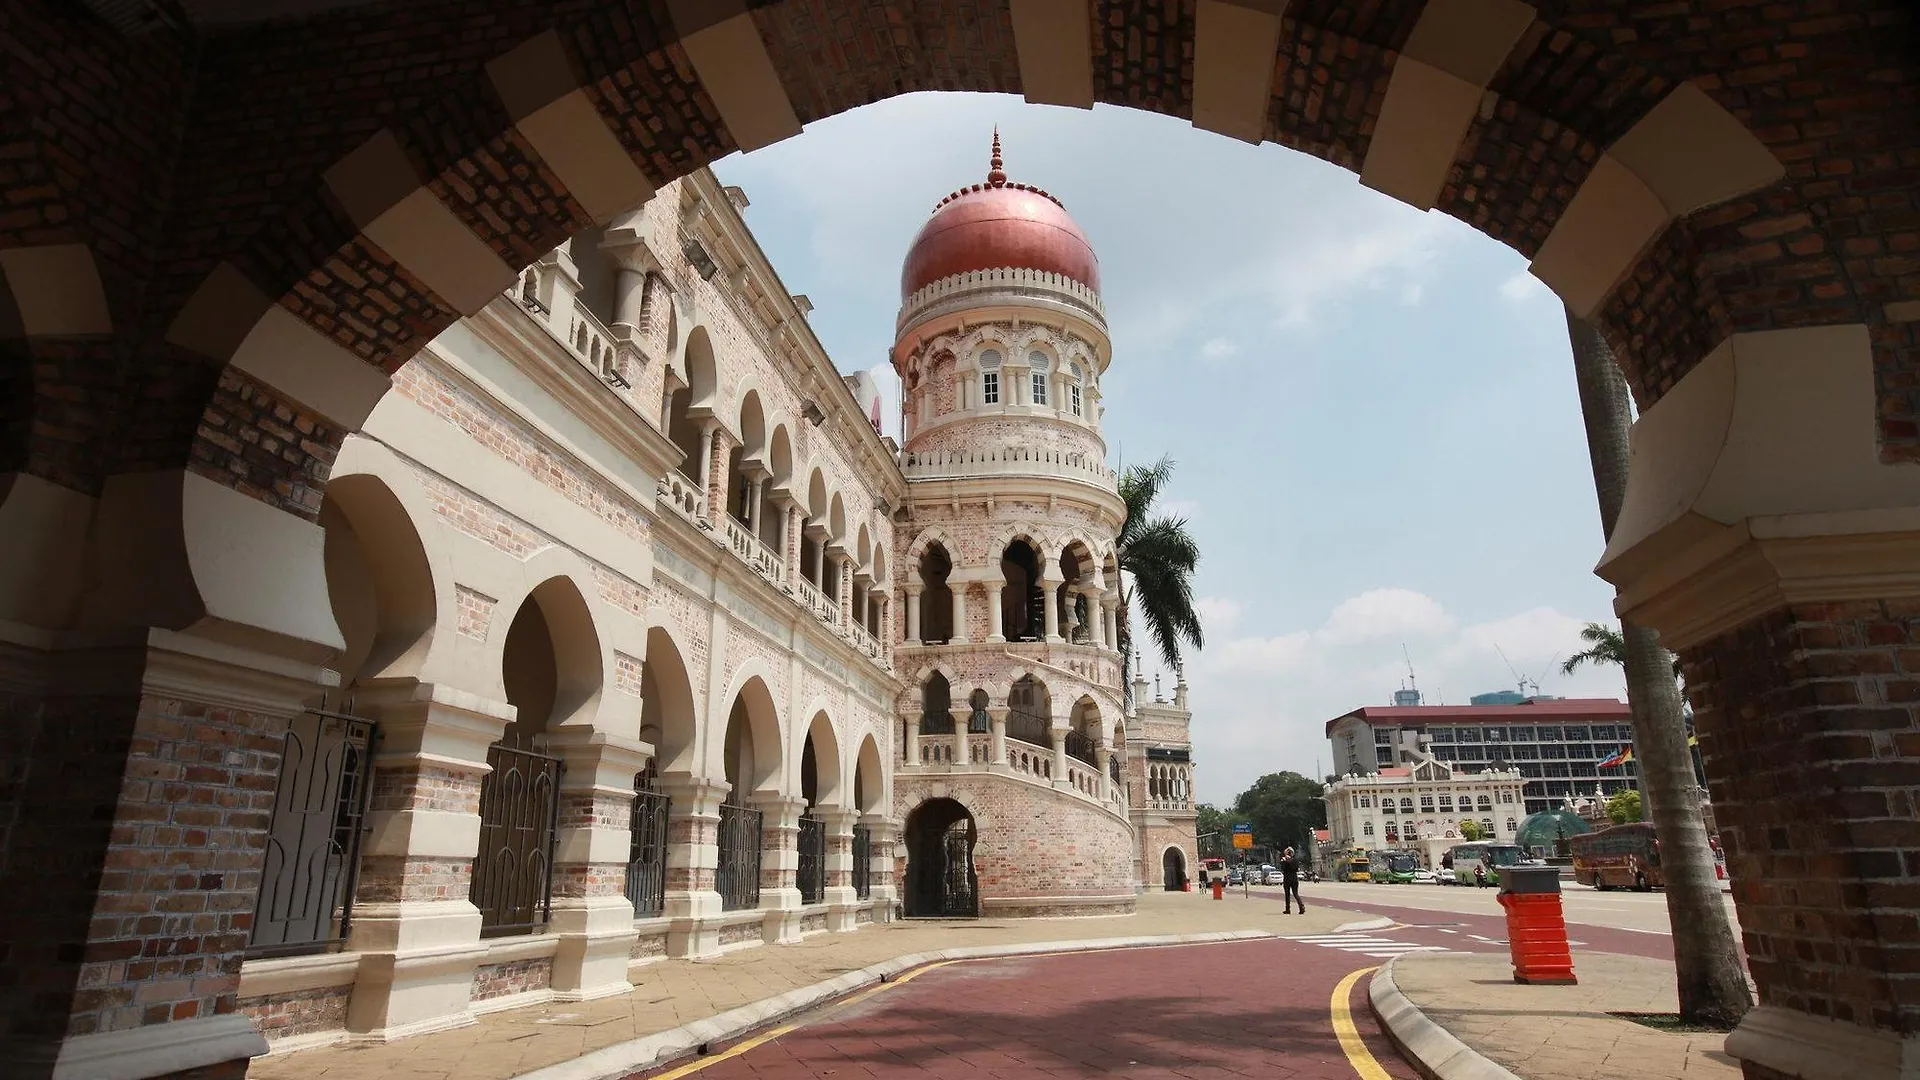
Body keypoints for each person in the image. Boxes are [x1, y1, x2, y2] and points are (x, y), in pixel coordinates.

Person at [1280, 846, 1305, 914]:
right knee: (1295, 893)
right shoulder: (1295, 860)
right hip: (1294, 878)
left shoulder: (1284, 860)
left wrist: (1285, 861)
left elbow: (1283, 868)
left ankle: (1288, 909)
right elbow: (1297, 869)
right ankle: (1301, 906)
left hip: (1287, 878)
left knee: (1287, 894)